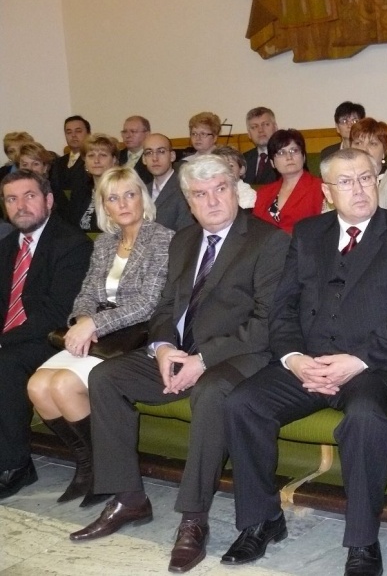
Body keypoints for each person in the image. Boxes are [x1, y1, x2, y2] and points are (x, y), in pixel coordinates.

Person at [221, 148, 387, 576]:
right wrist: (294, 359)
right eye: (346, 181)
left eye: (366, 178)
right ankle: (262, 519)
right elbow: (283, 307)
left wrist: (357, 360)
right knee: (242, 403)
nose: (359, 189)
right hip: (310, 362)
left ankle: (362, 540)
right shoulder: (308, 233)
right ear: (327, 192)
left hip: (376, 366)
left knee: (364, 419)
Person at [69, 156, 290, 575]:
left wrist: (203, 360)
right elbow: (166, 306)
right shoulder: (184, 239)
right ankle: (128, 498)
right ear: (188, 201)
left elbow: (265, 324)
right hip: (180, 353)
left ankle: (193, 518)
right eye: (200, 194)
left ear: (235, 190)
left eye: (220, 189)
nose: (212, 201)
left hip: (236, 356)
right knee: (106, 376)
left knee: (210, 392)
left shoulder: (268, 240)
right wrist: (163, 348)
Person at [27, 167, 173, 507]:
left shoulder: (162, 239)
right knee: (37, 386)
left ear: (142, 198)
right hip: (97, 332)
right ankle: (89, 466)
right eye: (113, 198)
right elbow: (86, 293)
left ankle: (103, 472)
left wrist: (94, 324)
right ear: (104, 206)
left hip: (134, 337)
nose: (122, 204)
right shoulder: (106, 243)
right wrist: (81, 319)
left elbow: (149, 303)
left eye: (130, 194)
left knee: (62, 385)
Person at [0, 170, 92, 500]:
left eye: (29, 196)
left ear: (49, 200)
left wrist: (2, 341)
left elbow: (57, 312)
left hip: (52, 337)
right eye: (12, 199)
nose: (20, 206)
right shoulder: (6, 245)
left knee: (6, 364)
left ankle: (16, 465)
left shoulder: (71, 243)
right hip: (13, 336)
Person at [252, 128, 324, 235]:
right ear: (272, 163)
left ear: (303, 157)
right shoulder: (263, 193)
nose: (289, 157)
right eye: (281, 153)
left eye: (294, 151)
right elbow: (255, 229)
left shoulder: (320, 188)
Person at [61, 134, 119, 233]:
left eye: (103, 155)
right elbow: (69, 225)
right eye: (91, 155)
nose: (96, 160)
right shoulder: (79, 190)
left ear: (114, 160)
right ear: (85, 160)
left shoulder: (120, 191)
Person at [143, 133, 195, 231]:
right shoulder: (141, 191)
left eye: (161, 151)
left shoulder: (185, 189)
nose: (155, 158)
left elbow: (186, 233)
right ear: (144, 159)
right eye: (149, 153)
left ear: (172, 156)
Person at [50, 115, 91, 201]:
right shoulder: (58, 162)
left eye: (78, 131)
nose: (73, 135)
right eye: (69, 132)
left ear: (88, 134)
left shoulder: (93, 160)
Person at [242, 107, 278, 185]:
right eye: (254, 127)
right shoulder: (243, 159)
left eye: (265, 124)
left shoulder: (284, 156)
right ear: (249, 134)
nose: (260, 130)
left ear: (275, 128)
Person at [118, 116, 152, 183]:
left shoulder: (152, 157)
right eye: (125, 132)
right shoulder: (117, 156)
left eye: (133, 131)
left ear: (147, 134)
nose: (128, 136)